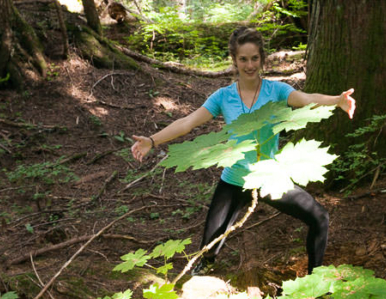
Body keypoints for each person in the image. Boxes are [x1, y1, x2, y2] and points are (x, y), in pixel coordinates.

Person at [130, 27, 355, 275]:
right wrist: (152, 140)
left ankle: (315, 279)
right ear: (234, 60)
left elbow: (306, 99)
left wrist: (337, 100)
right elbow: (187, 123)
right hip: (235, 179)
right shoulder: (223, 97)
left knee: (319, 217)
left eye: (254, 58)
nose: (250, 65)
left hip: (269, 177)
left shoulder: (277, 91)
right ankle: (204, 269)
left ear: (262, 58)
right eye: (243, 59)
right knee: (208, 248)